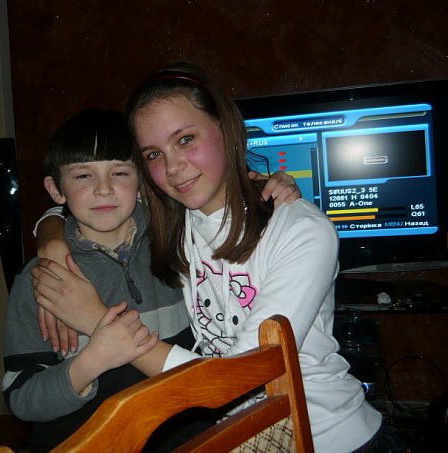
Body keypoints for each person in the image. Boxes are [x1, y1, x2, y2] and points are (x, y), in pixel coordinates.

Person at [32, 62, 400, 452]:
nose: (173, 168)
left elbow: (236, 381)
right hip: (236, 437)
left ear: (225, 129)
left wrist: (95, 319)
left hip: (330, 437)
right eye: (154, 154)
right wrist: (51, 236)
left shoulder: (302, 231)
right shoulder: (174, 220)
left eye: (186, 139)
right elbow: (92, 202)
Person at [4, 109, 195, 452]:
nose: (103, 189)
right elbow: (21, 398)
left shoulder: (178, 243)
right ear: (56, 189)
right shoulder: (41, 279)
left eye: (119, 173)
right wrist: (91, 362)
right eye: (83, 176)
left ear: (142, 183)